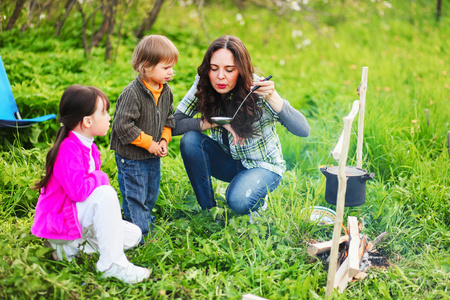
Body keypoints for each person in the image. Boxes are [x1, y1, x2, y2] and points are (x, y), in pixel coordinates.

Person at [173, 35, 310, 221]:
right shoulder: (205, 83)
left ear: (241, 70)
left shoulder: (257, 89)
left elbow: (303, 130)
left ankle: (256, 198)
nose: (220, 76)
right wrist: (213, 121)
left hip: (263, 166)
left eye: (229, 70)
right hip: (228, 161)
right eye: (214, 69)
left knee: (237, 202)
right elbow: (175, 123)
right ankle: (208, 212)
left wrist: (274, 99)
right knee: (190, 140)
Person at [31, 85, 150, 284]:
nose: (109, 117)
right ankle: (110, 264)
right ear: (87, 121)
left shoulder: (91, 148)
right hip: (61, 226)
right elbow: (79, 192)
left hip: (79, 223)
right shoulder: (68, 148)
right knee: (105, 193)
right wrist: (100, 177)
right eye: (104, 113)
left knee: (134, 235)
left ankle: (73, 251)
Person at [110, 35, 178, 238]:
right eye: (166, 68)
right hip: (131, 157)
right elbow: (122, 126)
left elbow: (169, 118)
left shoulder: (166, 92)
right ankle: (139, 235)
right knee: (135, 195)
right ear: (147, 67)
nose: (171, 72)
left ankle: (139, 222)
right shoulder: (133, 94)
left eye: (172, 67)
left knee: (150, 193)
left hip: (152, 155)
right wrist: (149, 144)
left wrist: (164, 140)